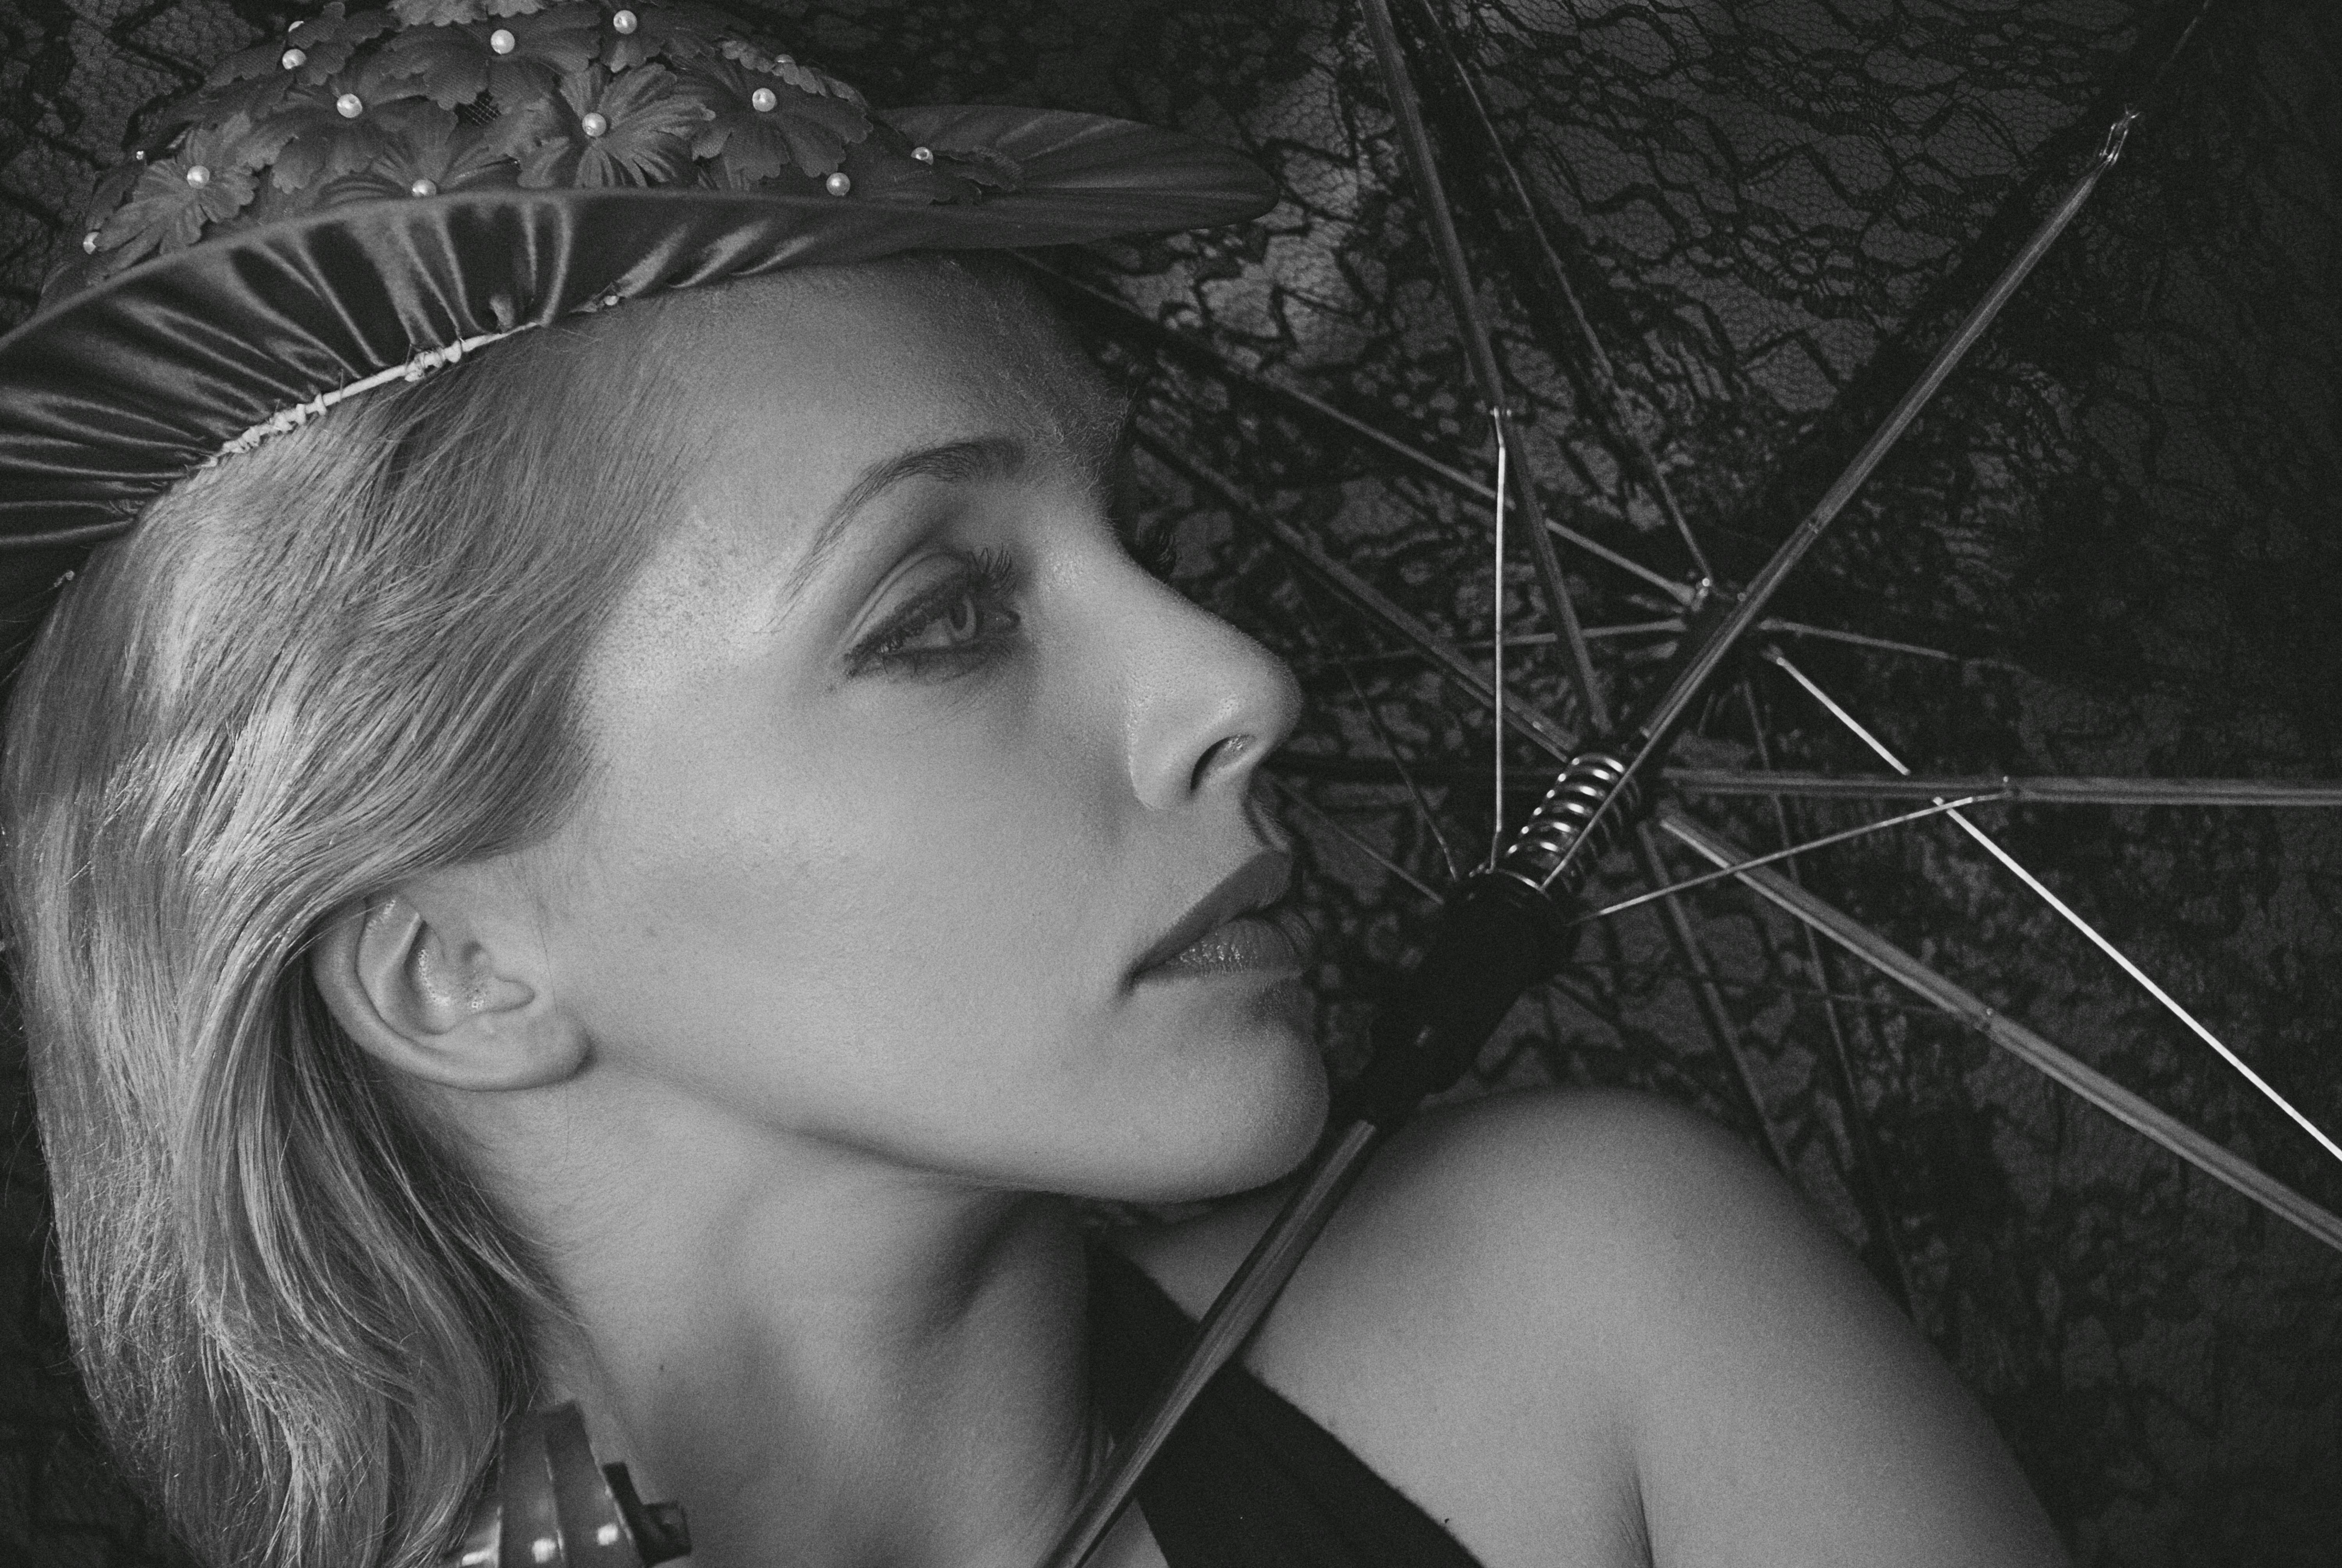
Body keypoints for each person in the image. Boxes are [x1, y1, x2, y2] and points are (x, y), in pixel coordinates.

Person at [0, 5, 2070, 1567]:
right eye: (936, 614)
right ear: (454, 959)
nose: (1238, 678)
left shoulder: (1589, 1323)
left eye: (1130, 536)